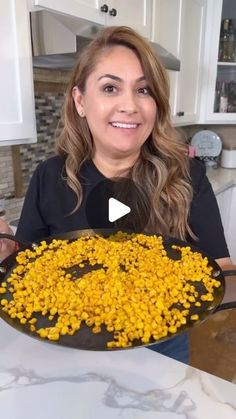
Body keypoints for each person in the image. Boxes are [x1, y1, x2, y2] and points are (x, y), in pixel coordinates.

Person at [0, 26, 234, 363]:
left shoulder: (186, 176)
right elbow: (26, 268)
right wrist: (6, 250)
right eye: (110, 88)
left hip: (161, 351)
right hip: (63, 348)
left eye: (144, 90)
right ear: (80, 101)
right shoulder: (49, 177)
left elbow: (221, 270)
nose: (130, 105)